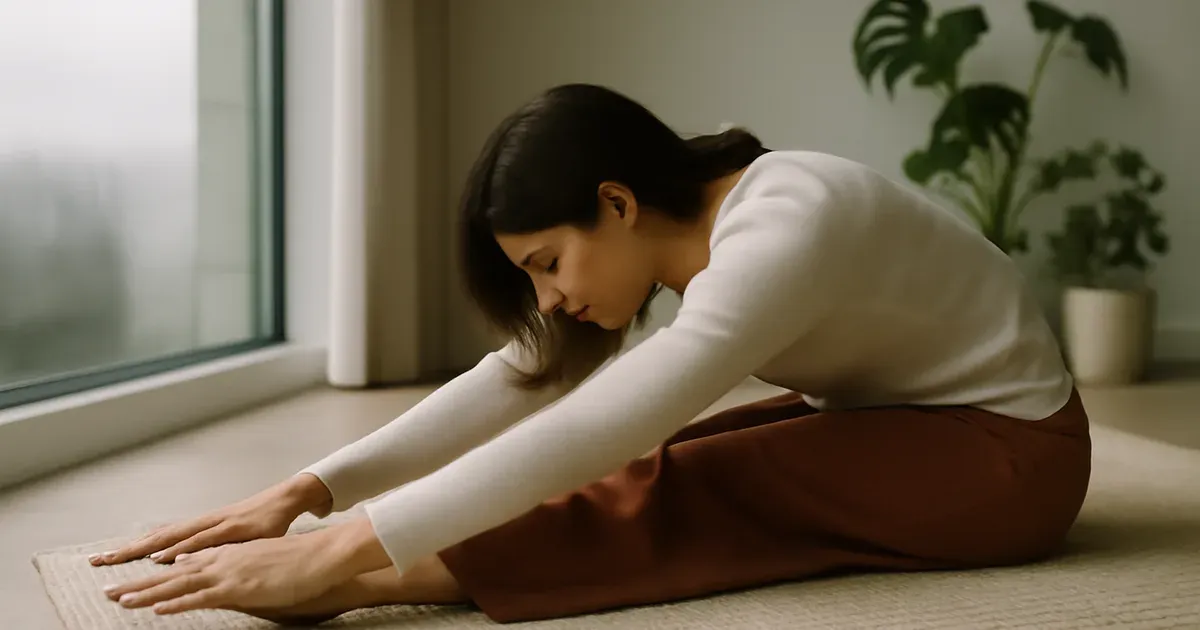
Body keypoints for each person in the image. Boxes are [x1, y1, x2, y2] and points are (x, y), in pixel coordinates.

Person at [92, 84, 1091, 625]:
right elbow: (526, 377)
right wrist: (307, 488)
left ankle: (363, 586)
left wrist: (346, 548)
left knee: (679, 481)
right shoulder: (705, 219)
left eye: (548, 263)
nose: (554, 298)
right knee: (678, 470)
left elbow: (605, 425)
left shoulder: (786, 224)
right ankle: (360, 569)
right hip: (932, 427)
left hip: (1011, 460)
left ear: (615, 203)